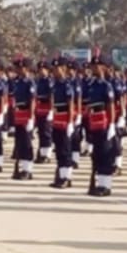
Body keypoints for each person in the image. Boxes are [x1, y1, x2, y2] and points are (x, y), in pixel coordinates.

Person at [86, 49, 117, 197]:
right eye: (93, 66)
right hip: (94, 122)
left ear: (104, 67)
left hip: (104, 121)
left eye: (97, 66)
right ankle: (99, 182)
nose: (94, 68)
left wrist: (111, 124)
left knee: (105, 154)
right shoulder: (91, 85)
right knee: (96, 154)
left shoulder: (106, 86)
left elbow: (110, 106)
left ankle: (106, 185)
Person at [49, 57, 76, 188]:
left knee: (65, 149)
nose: (54, 71)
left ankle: (67, 177)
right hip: (57, 118)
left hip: (65, 118)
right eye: (53, 69)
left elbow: (71, 105)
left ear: (64, 69)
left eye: (56, 68)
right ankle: (60, 175)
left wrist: (71, 122)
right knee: (59, 149)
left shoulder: (67, 85)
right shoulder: (55, 84)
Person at [11, 56, 37, 180]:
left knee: (27, 143)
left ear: (26, 69)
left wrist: (31, 118)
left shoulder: (30, 82)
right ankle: (22, 167)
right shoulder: (17, 81)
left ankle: (28, 169)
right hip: (18, 113)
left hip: (26, 113)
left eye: (20, 67)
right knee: (19, 142)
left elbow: (32, 100)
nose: (17, 69)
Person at [34, 60, 54, 163]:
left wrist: (51, 110)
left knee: (47, 132)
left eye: (43, 69)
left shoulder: (49, 81)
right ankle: (41, 153)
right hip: (39, 108)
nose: (42, 71)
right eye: (40, 69)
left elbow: (51, 97)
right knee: (41, 132)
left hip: (47, 107)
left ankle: (47, 154)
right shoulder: (38, 81)